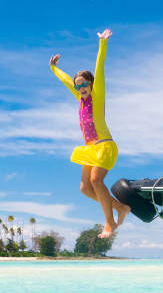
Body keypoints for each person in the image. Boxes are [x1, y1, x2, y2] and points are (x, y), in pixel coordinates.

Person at [49, 28, 130, 238]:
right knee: (85, 188)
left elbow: (99, 67)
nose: (81, 88)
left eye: (85, 84)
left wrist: (103, 44)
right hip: (90, 149)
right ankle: (120, 208)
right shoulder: (80, 100)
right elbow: (67, 81)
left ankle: (109, 224)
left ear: (91, 84)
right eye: (79, 86)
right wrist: (54, 69)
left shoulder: (97, 95)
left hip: (104, 145)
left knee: (96, 181)